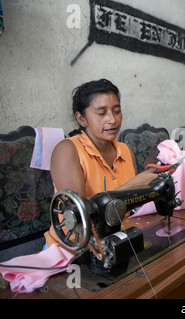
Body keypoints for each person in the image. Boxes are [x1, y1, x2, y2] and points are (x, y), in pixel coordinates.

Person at [44, 79, 159, 250]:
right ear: (81, 118)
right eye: (101, 113)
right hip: (72, 249)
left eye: (117, 111)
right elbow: (79, 216)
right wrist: (133, 186)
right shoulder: (68, 150)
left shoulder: (125, 150)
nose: (112, 120)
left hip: (114, 240)